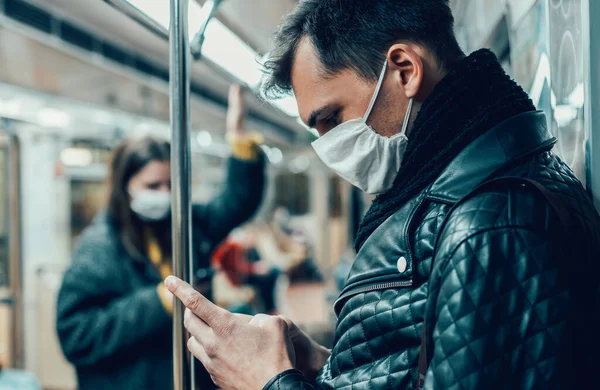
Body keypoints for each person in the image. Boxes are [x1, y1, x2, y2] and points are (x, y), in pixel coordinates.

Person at [165, 1, 600, 389]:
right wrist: (322, 367)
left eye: (333, 118)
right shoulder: (462, 193)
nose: (328, 147)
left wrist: (268, 382)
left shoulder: (488, 223)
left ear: (404, 70)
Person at [55, 85, 266, 390]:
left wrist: (240, 141)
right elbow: (76, 335)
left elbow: (237, 203)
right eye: (153, 186)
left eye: (171, 184)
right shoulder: (99, 248)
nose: (165, 195)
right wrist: (158, 302)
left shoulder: (183, 223)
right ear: (125, 186)